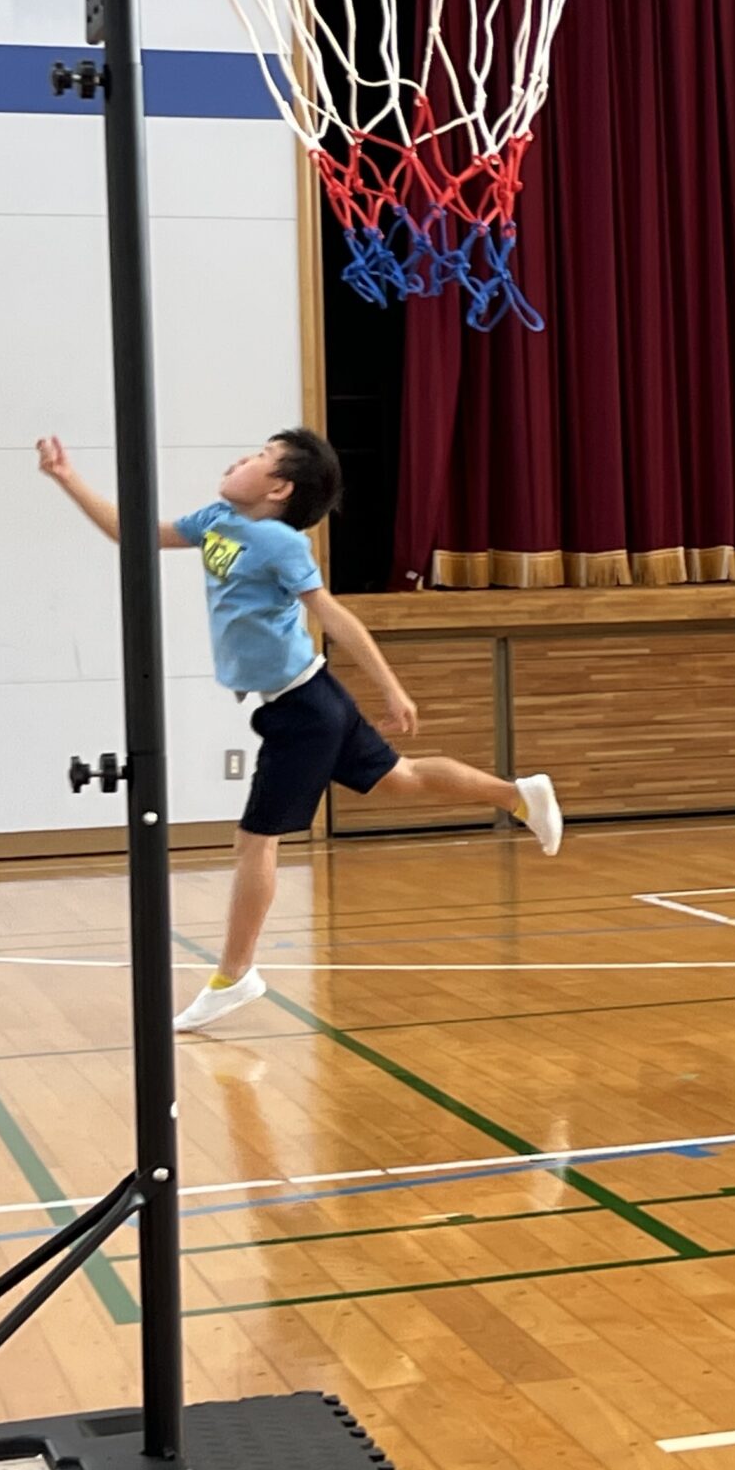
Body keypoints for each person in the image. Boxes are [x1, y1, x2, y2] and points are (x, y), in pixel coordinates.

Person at [38, 430, 563, 1030]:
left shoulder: (280, 543)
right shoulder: (216, 520)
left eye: (259, 457)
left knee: (255, 842)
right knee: (403, 779)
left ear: (279, 487)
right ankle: (517, 794)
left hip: (304, 711)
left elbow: (331, 613)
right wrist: (67, 478)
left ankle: (233, 976)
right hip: (308, 701)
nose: (241, 458)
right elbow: (133, 534)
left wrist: (392, 686)